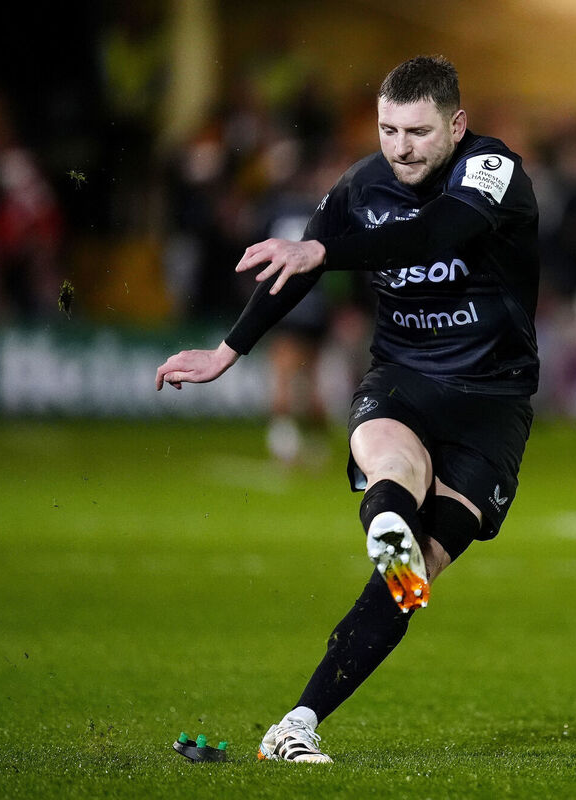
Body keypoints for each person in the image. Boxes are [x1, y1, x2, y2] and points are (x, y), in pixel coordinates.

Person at [154, 56, 539, 763]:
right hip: (403, 377)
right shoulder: (362, 185)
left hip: (493, 399)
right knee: (393, 464)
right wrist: (227, 351)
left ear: (456, 125)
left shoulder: (492, 172)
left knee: (408, 581)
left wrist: (324, 249)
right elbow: (294, 269)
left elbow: (434, 234)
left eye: (419, 131)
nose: (401, 146)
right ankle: (384, 525)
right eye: (389, 129)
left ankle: (292, 722)